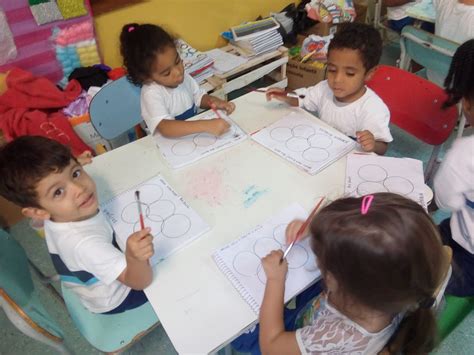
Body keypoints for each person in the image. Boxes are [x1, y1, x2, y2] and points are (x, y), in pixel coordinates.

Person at [259, 193, 446, 354]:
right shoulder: (410, 281)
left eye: (320, 257)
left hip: (300, 334)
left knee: (243, 337)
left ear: (334, 281)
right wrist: (320, 229)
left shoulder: (341, 335)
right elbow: (446, 252)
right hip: (320, 311)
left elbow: (271, 346)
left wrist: (276, 280)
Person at [0, 136, 154, 314]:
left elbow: (55, 181)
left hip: (89, 277)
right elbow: (140, 281)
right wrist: (135, 259)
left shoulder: (51, 211)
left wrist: (70, 168)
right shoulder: (86, 245)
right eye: (58, 191)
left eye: (75, 173)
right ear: (38, 211)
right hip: (117, 297)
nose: (79, 189)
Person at [266, 23, 392, 155]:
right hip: (321, 151)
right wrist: (286, 96)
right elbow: (302, 99)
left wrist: (373, 144)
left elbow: (382, 146)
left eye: (349, 73)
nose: (337, 80)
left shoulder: (373, 108)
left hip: (350, 161)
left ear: (369, 73)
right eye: (332, 70)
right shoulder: (324, 88)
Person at [120, 23, 235, 138]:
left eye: (177, 61)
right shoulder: (151, 93)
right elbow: (166, 128)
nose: (178, 72)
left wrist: (215, 102)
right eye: (166, 73)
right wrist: (206, 126)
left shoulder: (184, 78)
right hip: (167, 147)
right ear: (147, 77)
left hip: (191, 139)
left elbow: (199, 98)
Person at [434, 39, 474, 297]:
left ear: (467, 103)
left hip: (468, 260)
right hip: (460, 232)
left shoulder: (464, 154)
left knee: (405, 270)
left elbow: (445, 200)